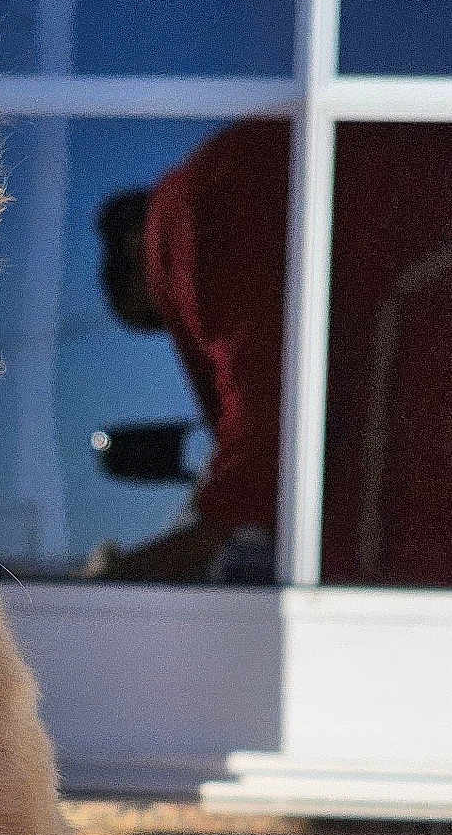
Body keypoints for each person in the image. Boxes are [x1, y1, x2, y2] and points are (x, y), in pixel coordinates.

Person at [90, 118, 452, 587]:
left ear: (136, 249)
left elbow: (272, 418)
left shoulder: (193, 218)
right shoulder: (230, 185)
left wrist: (165, 557)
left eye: (172, 318)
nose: (189, 339)